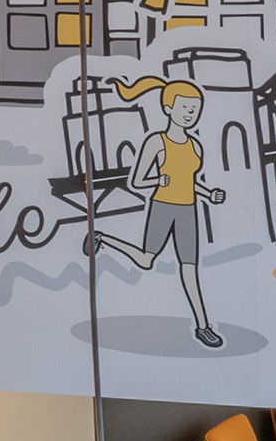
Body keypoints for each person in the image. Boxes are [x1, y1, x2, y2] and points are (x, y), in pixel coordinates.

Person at [92, 75, 225, 347]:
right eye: (185, 108)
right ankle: (102, 238)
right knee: (145, 260)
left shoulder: (195, 145)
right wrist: (157, 180)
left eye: (195, 109)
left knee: (190, 270)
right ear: (168, 109)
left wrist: (208, 193)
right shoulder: (157, 142)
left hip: (188, 210)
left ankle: (203, 326)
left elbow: (190, 180)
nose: (190, 114)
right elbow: (137, 181)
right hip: (163, 206)